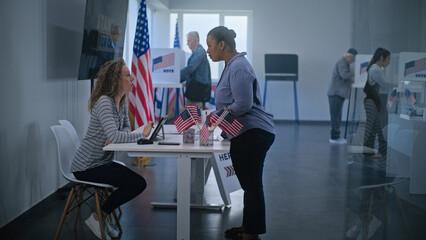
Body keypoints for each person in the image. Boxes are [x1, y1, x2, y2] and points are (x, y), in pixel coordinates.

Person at [71, 59, 154, 239]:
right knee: (137, 183)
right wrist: (143, 134)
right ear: (115, 80)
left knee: (138, 182)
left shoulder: (121, 101)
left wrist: (117, 134)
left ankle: (102, 216)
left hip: (103, 162)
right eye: (127, 75)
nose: (132, 78)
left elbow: (124, 130)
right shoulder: (104, 102)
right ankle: (98, 217)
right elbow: (119, 135)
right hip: (86, 167)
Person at [206, 26, 275, 240]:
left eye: (210, 45)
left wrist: (217, 116)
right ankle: (249, 227)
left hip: (253, 132)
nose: (207, 50)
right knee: (249, 184)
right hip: (246, 132)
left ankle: (251, 234)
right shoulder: (231, 65)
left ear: (222, 45)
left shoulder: (239, 67)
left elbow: (243, 104)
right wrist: (218, 114)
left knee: (252, 185)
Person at [363, 48, 393, 158]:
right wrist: (399, 83)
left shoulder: (377, 69)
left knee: (376, 127)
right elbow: (385, 84)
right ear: (381, 58)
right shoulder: (375, 69)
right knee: (377, 127)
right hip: (375, 101)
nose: (389, 62)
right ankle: (374, 151)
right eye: (388, 59)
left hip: (377, 101)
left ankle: (373, 151)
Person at [327, 48, 358, 144]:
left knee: (337, 115)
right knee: (336, 116)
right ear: (349, 56)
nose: (354, 61)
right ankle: (334, 138)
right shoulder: (342, 62)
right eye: (353, 58)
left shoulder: (345, 63)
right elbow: (344, 75)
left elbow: (344, 77)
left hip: (338, 94)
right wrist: (356, 73)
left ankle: (336, 136)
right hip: (336, 93)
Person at [180, 31, 211, 109]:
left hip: (197, 91)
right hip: (194, 91)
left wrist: (177, 75)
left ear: (195, 40)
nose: (187, 43)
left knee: (197, 117)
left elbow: (191, 68)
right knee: (193, 116)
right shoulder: (196, 52)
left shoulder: (200, 51)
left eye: (189, 41)